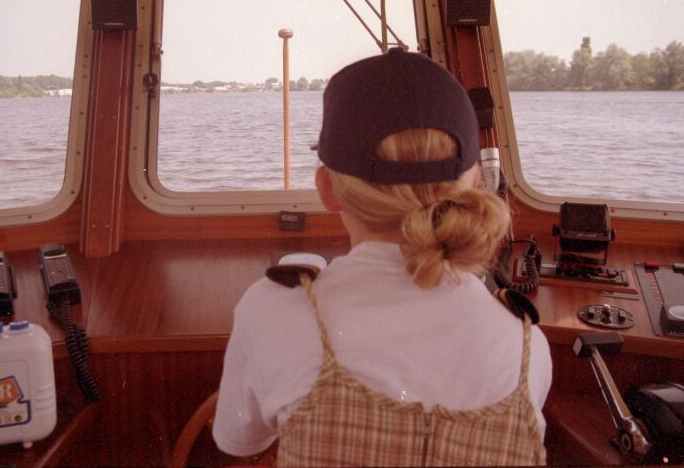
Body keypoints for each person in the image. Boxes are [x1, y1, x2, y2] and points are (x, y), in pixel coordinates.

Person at [212, 49, 552, 466]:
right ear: (477, 183)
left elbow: (240, 442)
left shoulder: (272, 311)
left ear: (327, 189)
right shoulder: (526, 346)